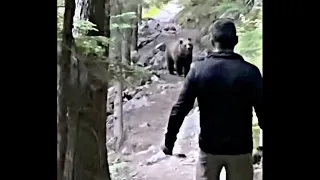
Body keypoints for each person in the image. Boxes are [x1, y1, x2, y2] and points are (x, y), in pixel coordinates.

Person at [162, 18, 263, 180]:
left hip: (209, 149)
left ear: (211, 41)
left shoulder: (198, 70)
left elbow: (180, 109)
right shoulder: (250, 72)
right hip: (241, 150)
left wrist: (169, 142)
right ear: (236, 41)